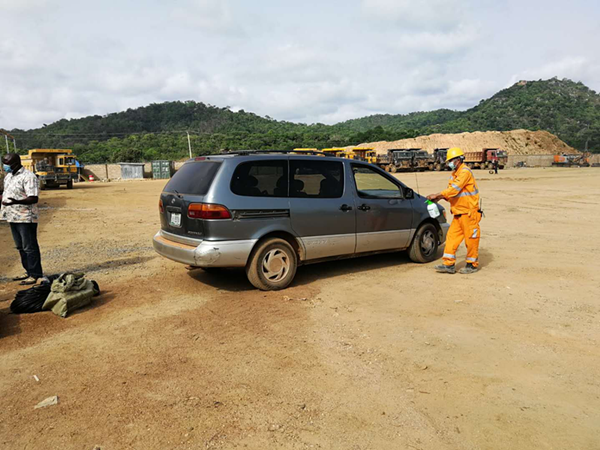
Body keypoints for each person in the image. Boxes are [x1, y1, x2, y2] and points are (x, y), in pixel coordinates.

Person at [427, 147, 482, 274]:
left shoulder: (465, 172)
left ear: (459, 160)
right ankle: (448, 264)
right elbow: (452, 194)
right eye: (449, 161)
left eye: (451, 160)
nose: (449, 163)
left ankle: (472, 264)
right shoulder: (455, 174)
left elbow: (454, 190)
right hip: (458, 213)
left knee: (471, 239)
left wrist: (438, 195)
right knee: (451, 238)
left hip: (469, 213)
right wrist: (440, 198)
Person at [1, 153, 45, 285]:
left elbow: (33, 198)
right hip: (12, 216)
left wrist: (15, 202)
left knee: (29, 247)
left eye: (6, 163)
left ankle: (35, 274)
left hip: (25, 217)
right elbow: (7, 194)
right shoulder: (9, 176)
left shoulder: (28, 176)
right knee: (20, 247)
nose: (4, 166)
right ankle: (28, 271)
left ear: (15, 163)